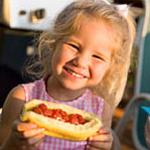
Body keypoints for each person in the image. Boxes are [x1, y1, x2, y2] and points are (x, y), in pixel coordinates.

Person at [0, 0, 136, 149]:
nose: (81, 62)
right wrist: (15, 142)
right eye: (73, 46)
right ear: (53, 44)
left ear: (110, 68)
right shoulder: (20, 97)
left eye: (97, 57)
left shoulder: (101, 109)